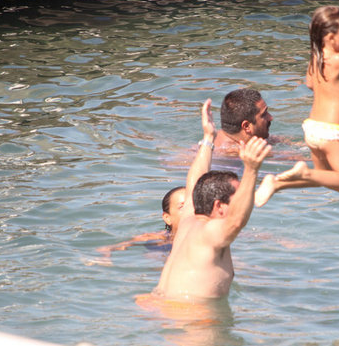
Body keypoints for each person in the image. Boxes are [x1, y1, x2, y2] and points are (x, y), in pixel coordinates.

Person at [146, 98, 271, 301]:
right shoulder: (210, 232)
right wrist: (251, 169)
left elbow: (194, 181)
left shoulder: (188, 220)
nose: (243, 202)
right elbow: (237, 221)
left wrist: (208, 138)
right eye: (237, 198)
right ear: (219, 206)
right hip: (190, 316)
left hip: (157, 306)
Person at [255, 5, 339, 206]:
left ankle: (276, 184)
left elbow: (310, 83)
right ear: (331, 37)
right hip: (330, 132)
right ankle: (304, 172)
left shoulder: (317, 57)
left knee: (324, 178)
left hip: (312, 129)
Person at [93, 186, 186, 265]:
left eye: (192, 204)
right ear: (167, 218)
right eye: (182, 207)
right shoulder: (159, 237)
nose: (191, 209)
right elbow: (111, 247)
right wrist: (106, 255)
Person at [213, 88, 273, 155]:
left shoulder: (219, 135)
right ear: (246, 126)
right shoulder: (233, 153)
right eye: (264, 114)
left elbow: (273, 139)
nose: (270, 117)